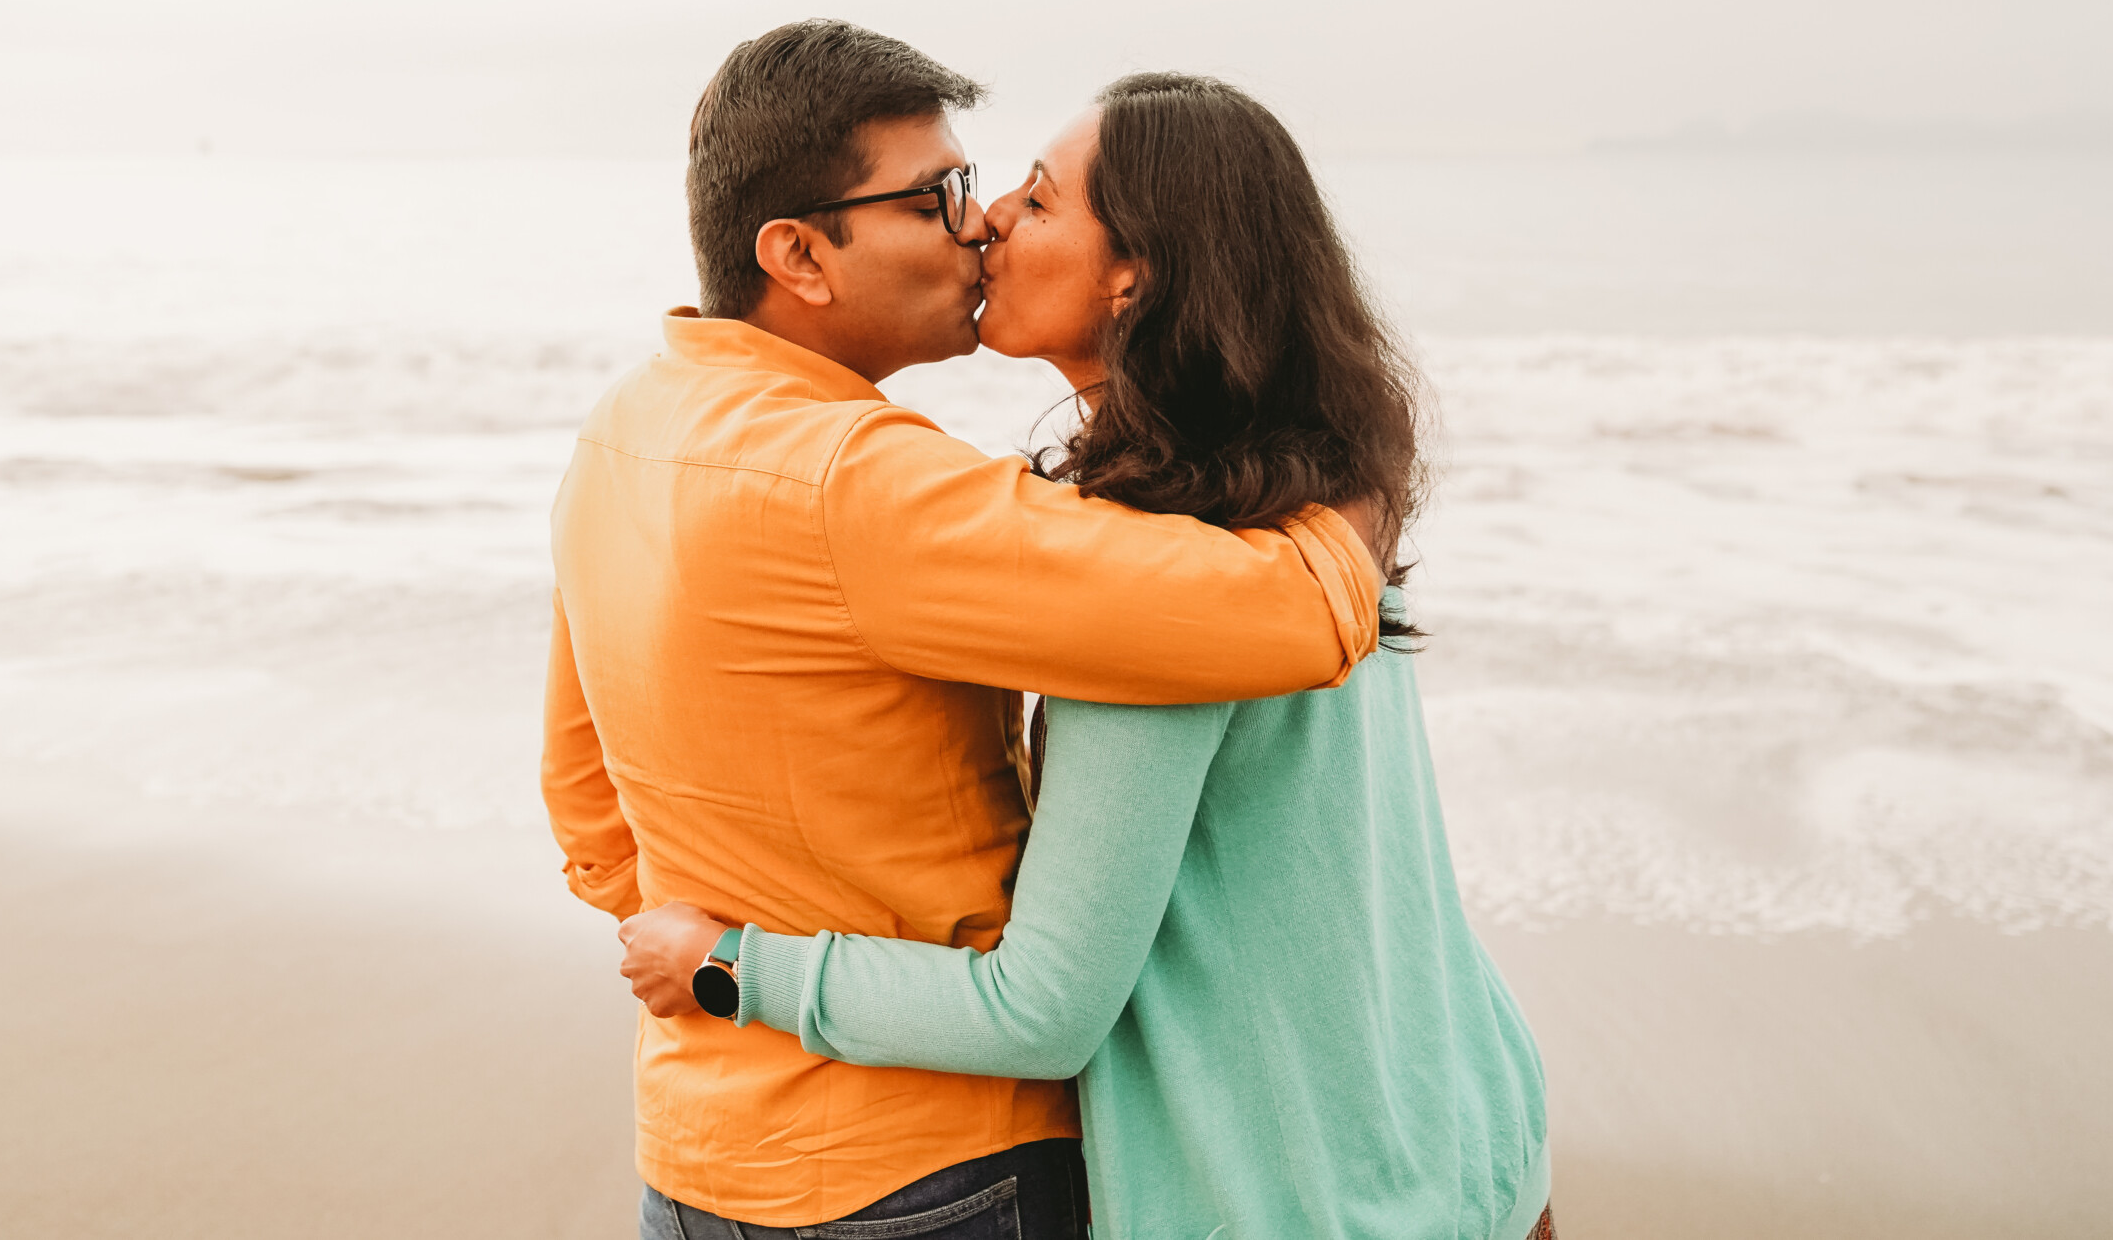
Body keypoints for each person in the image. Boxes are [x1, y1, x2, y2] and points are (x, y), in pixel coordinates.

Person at [618, 75, 1553, 1240]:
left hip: (1294, 1199)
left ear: (1136, 274)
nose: (989, 218)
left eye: (1039, 200)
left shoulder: (1149, 593)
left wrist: (735, 968)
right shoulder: (1310, 503)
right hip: (1472, 1137)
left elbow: (1038, 1013)